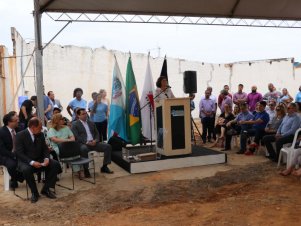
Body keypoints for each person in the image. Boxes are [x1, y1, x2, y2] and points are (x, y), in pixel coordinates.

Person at [15, 117, 61, 203]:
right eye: (40, 127)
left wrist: (46, 158)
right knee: (26, 169)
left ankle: (46, 189)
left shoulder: (40, 134)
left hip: (39, 159)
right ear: (33, 127)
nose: (41, 129)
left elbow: (45, 149)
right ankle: (34, 193)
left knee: (55, 164)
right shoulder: (20, 135)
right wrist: (32, 162)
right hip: (26, 161)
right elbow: (19, 153)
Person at [71, 108, 113, 175]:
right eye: (83, 114)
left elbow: (97, 133)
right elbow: (76, 136)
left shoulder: (91, 122)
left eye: (86, 113)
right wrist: (87, 142)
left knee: (107, 146)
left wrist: (95, 140)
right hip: (84, 144)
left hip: (94, 143)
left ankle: (104, 167)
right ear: (78, 115)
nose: (85, 115)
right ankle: (86, 169)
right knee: (83, 149)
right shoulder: (75, 124)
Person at [0, 112, 20, 189]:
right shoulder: (1, 132)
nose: (18, 121)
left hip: (17, 153)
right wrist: (13, 155)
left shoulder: (18, 129)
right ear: (9, 122)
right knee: (12, 164)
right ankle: (16, 179)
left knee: (27, 161)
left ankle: (16, 178)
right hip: (4, 155)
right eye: (15, 120)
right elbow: (1, 149)